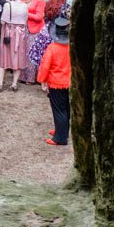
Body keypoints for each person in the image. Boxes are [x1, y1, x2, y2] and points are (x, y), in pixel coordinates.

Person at [37, 16, 71, 146]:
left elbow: (45, 66)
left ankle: (60, 138)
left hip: (56, 82)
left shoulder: (52, 48)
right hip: (69, 81)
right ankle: (62, 131)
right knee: (66, 108)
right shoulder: (71, 47)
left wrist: (42, 80)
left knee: (59, 110)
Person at [0, 0, 29, 91]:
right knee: (17, 57)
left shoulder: (8, 5)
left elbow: (2, 21)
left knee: (3, 57)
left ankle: (0, 83)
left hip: (8, 34)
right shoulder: (25, 6)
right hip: (20, 35)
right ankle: (14, 83)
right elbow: (25, 20)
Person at [19, 0, 46, 84]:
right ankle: (23, 76)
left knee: (31, 53)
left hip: (35, 29)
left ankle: (31, 78)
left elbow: (39, 17)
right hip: (23, 28)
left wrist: (26, 13)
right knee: (23, 52)